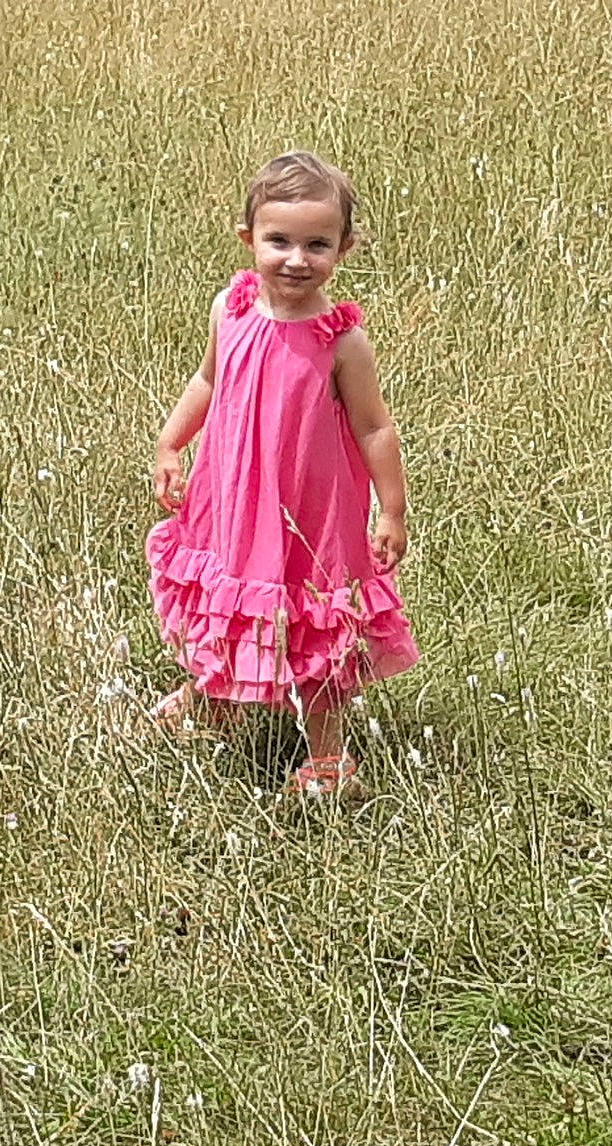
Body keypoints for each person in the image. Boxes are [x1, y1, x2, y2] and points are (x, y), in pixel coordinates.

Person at [145, 151, 419, 798]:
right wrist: (170, 443)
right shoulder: (231, 309)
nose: (297, 259)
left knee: (313, 621)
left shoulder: (340, 341)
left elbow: (375, 428)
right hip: (231, 499)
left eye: (317, 244)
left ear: (344, 248)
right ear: (249, 240)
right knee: (224, 601)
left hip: (308, 511)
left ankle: (330, 759)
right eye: (279, 241)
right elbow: (206, 380)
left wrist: (392, 509)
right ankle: (213, 700)